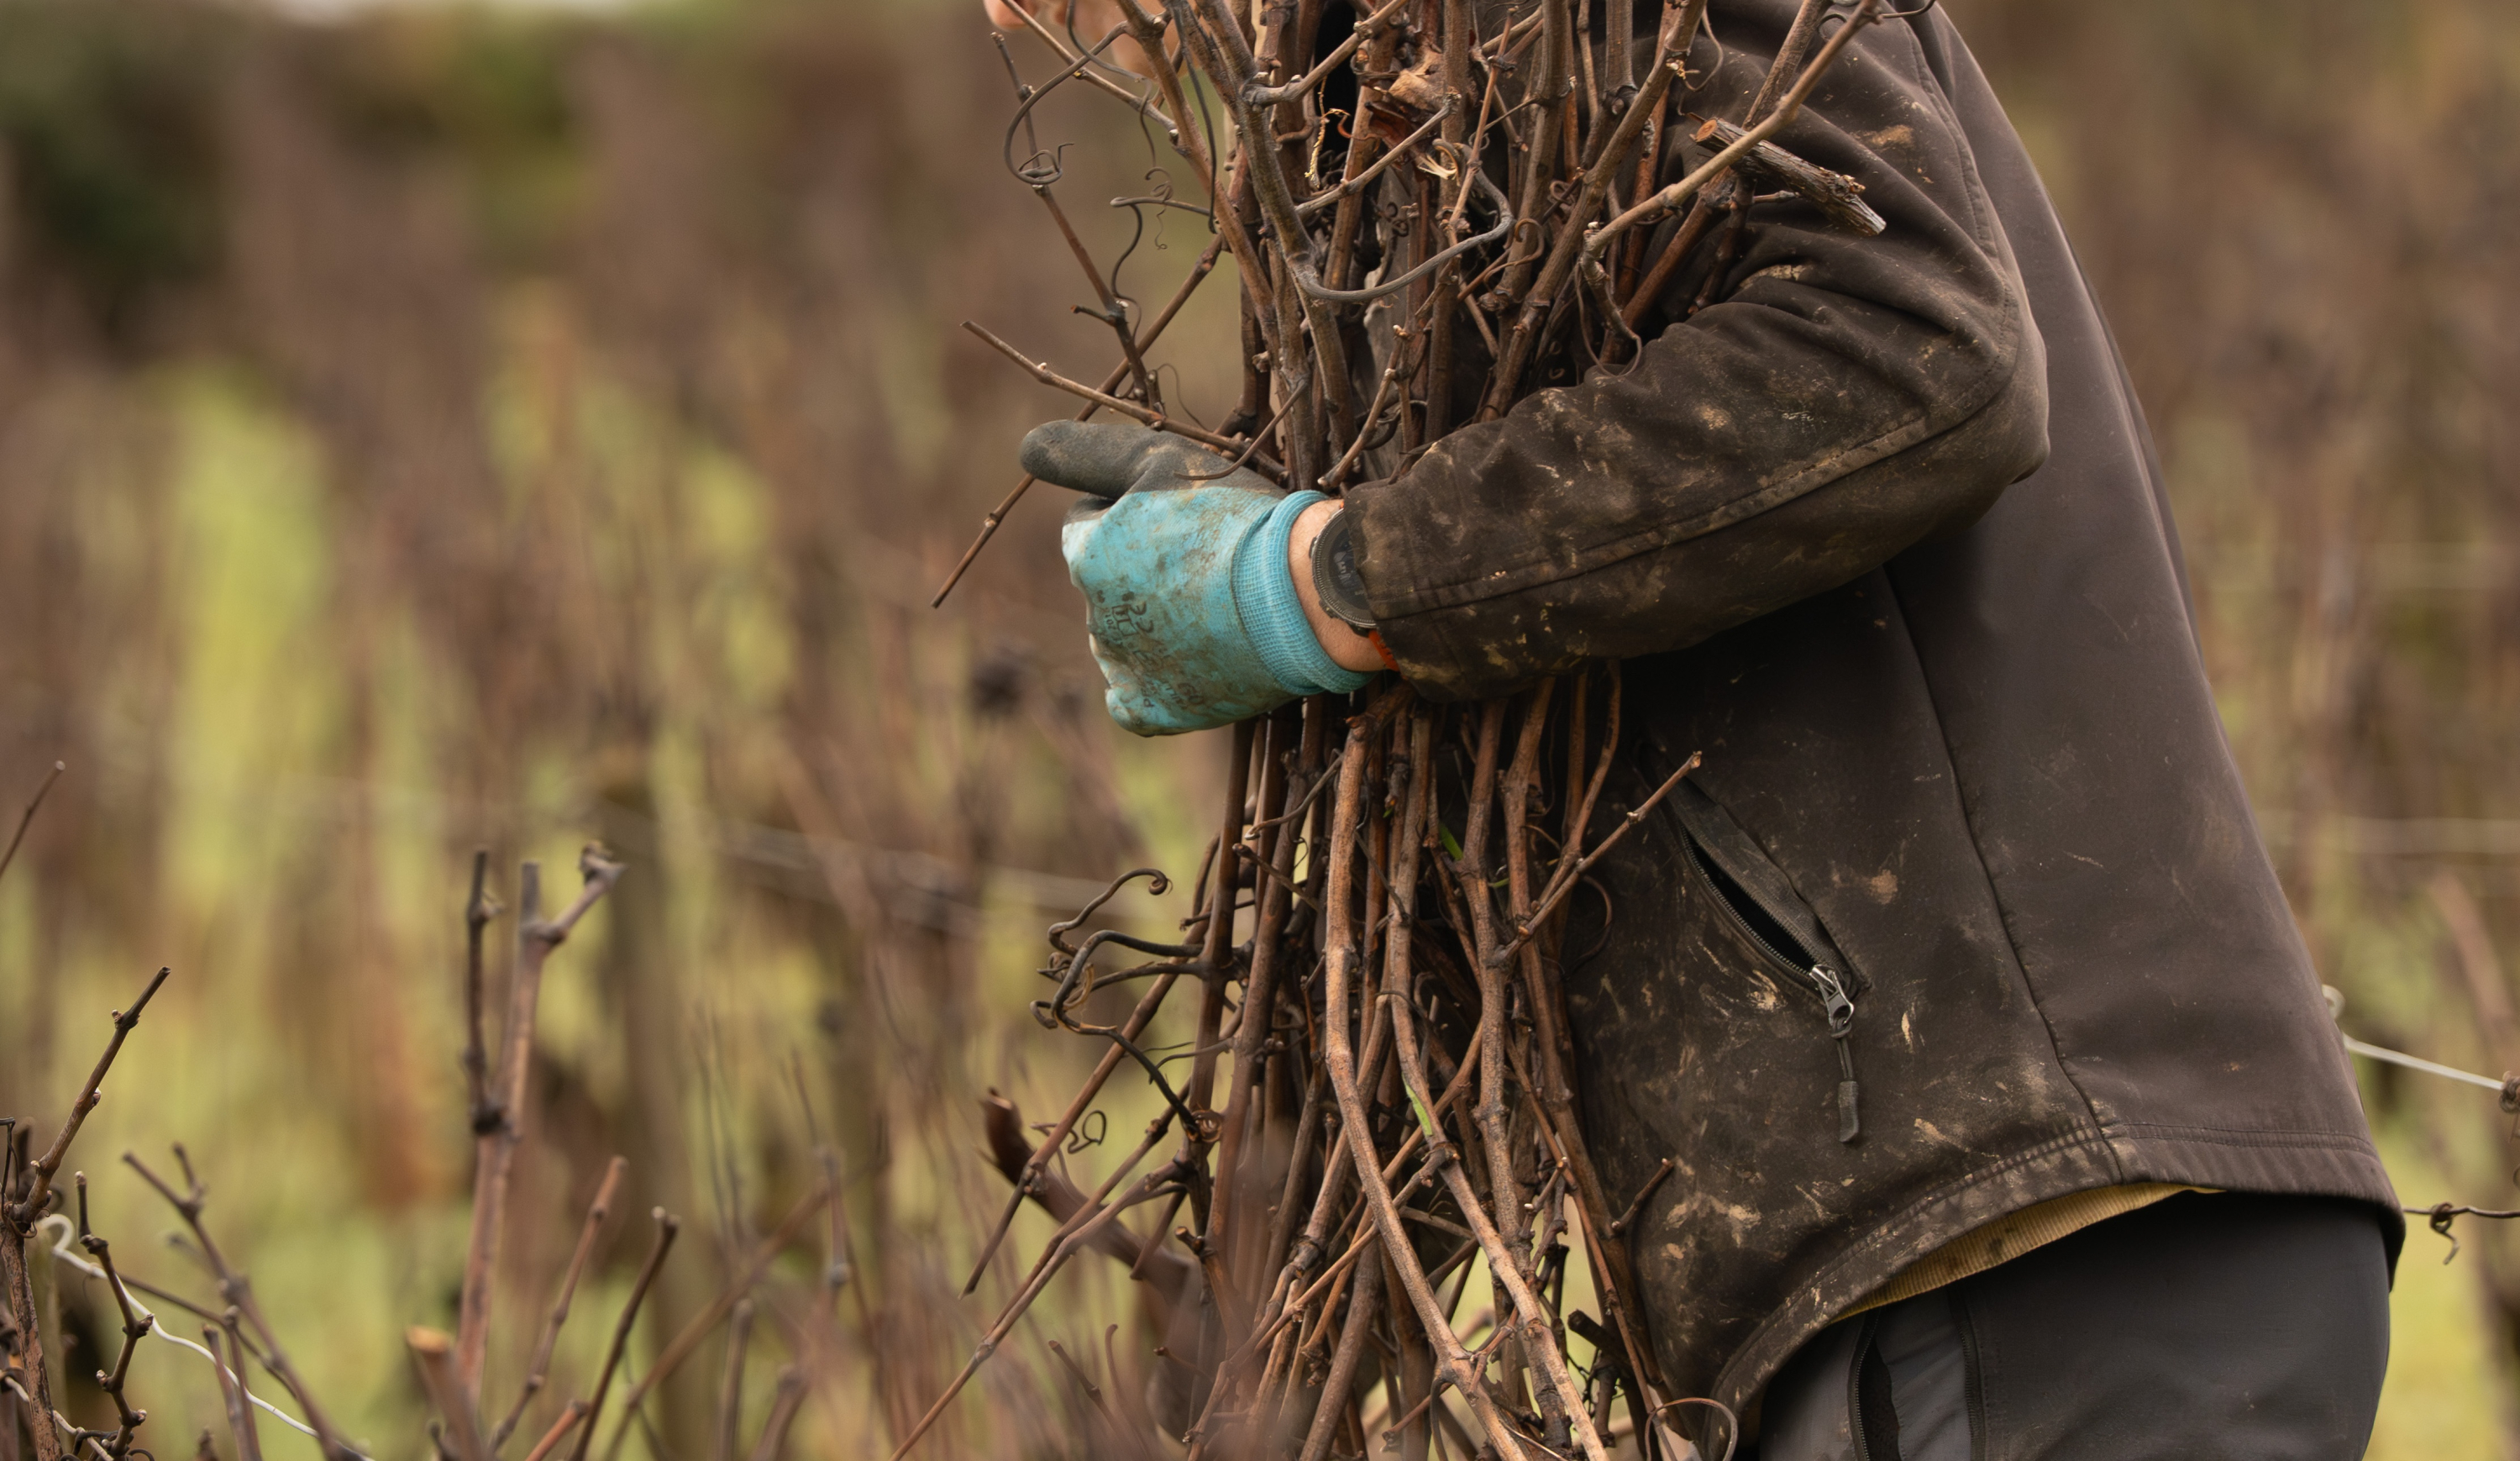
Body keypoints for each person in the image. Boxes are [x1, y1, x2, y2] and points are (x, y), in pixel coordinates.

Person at [1011, 2, 2400, 1456]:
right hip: (1932, 1272)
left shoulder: (1548, 29)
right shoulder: (1409, 118)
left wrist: (1337, 580)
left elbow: (1916, 345)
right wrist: (1267, 1309)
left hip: (2038, 1250)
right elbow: (1522, 753)